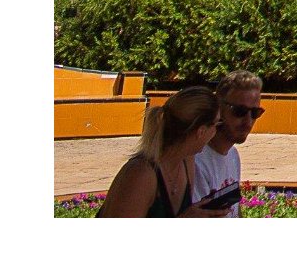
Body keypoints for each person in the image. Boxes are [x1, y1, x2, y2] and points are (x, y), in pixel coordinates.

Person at [97, 85, 226, 217]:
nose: (215, 132)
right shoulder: (141, 174)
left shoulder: (186, 162)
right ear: (201, 131)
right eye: (216, 125)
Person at [192, 71, 263, 217]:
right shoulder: (197, 161)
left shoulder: (233, 155)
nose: (248, 122)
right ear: (218, 108)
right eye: (239, 111)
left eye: (255, 113)